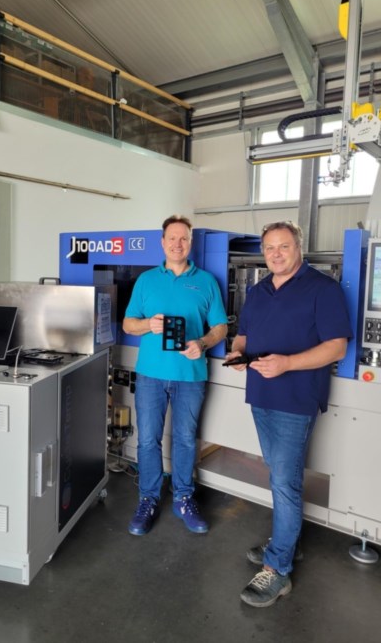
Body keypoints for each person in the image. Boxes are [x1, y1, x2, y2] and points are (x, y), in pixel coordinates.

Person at [225, 220, 352, 608]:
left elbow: (336, 347)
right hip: (260, 395)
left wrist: (288, 363)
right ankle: (286, 543)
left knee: (284, 481)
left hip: (295, 400)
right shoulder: (259, 290)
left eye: (283, 246)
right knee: (280, 474)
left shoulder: (323, 289)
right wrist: (238, 352)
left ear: (299, 247)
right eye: (269, 248)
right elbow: (244, 334)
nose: (275, 254)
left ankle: (277, 569)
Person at [123, 215, 228, 536]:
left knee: (184, 438)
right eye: (172, 238)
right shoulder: (146, 281)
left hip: (190, 375)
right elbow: (128, 324)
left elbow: (221, 327)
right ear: (163, 242)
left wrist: (203, 343)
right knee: (147, 440)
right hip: (150, 376)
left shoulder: (207, 281)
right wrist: (148, 325)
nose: (177, 244)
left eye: (183, 238)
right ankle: (148, 498)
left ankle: (183, 498)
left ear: (190, 243)